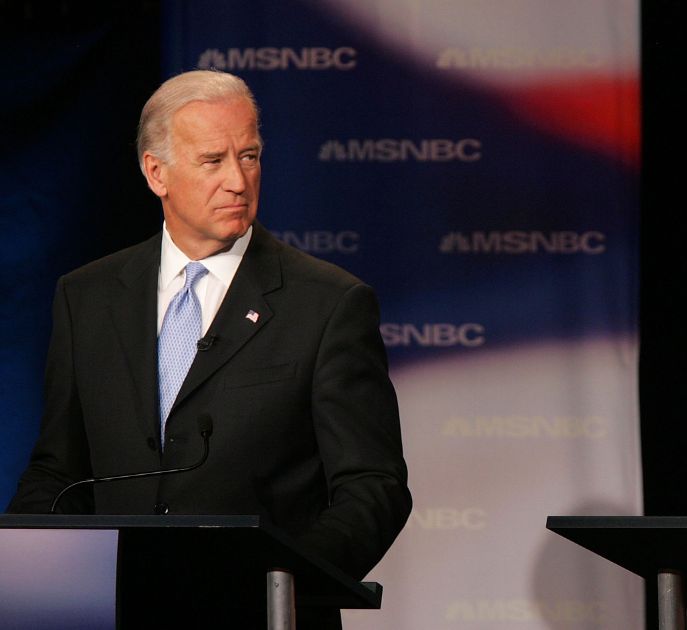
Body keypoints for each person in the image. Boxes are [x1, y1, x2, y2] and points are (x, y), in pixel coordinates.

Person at [7, 70, 411, 621]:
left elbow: (373, 486)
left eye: (249, 156)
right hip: (119, 609)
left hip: (265, 614)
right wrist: (27, 576)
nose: (239, 181)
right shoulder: (87, 296)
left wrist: (288, 580)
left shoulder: (328, 303)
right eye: (212, 161)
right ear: (156, 173)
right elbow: (59, 472)